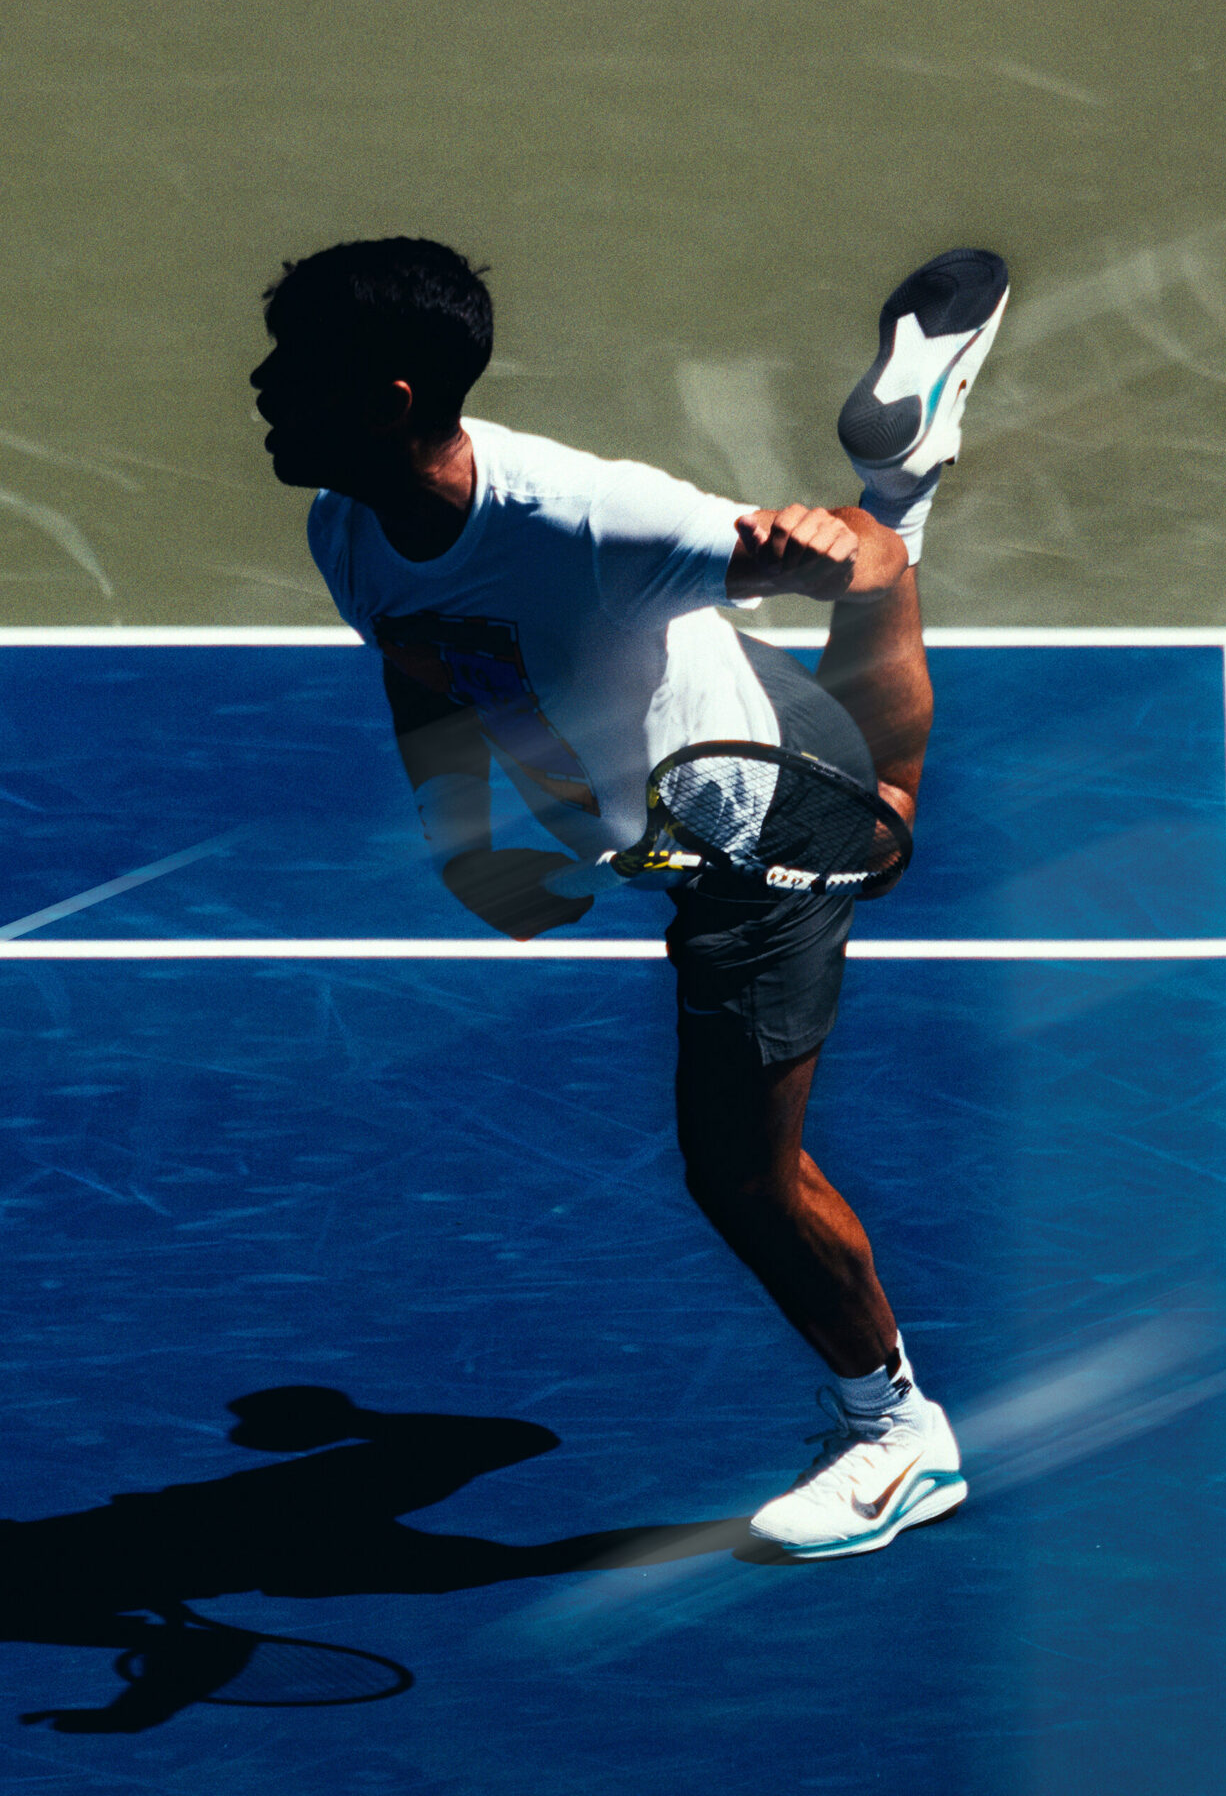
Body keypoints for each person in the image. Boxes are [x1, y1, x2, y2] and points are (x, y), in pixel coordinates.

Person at [250, 238, 1008, 1559]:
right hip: (699, 757)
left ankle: (900, 1440)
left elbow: (865, 572)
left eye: (292, 370)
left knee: (744, 1172)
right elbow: (421, 660)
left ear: (388, 402)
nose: (261, 388)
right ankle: (901, 474)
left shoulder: (593, 522)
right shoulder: (349, 523)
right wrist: (465, 833)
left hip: (757, 829)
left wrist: (857, 582)